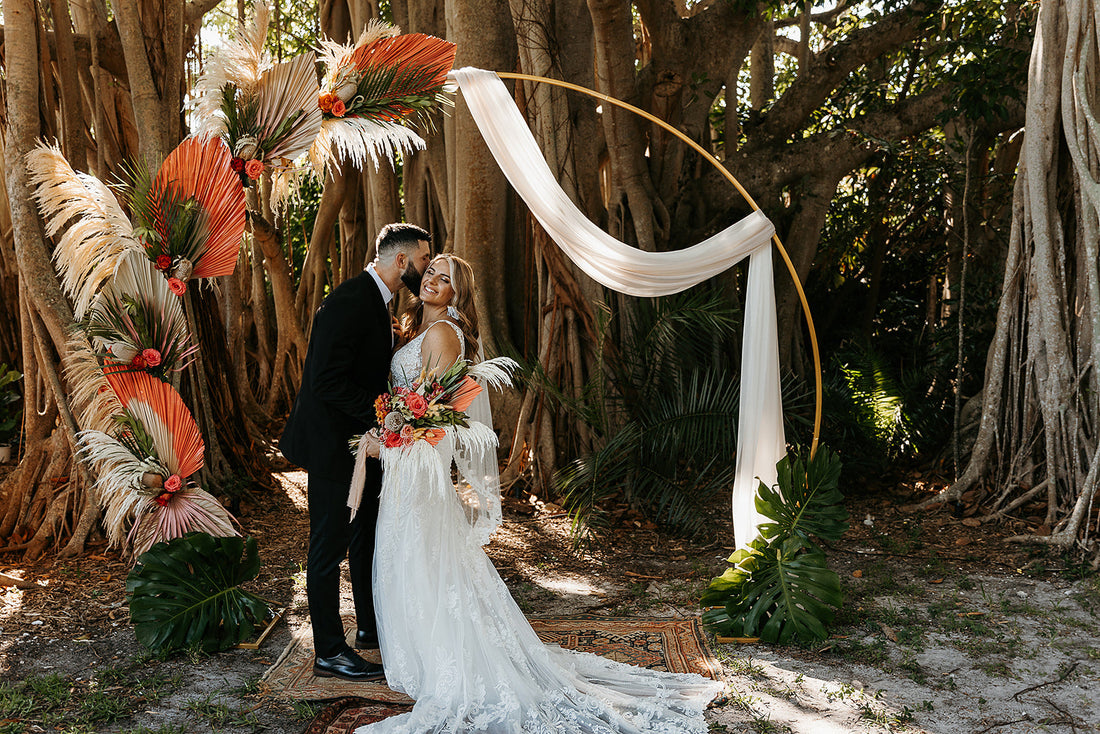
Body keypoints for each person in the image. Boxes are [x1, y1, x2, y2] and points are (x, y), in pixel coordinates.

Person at [354, 253, 725, 732]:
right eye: (430, 272)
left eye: (445, 279)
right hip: (409, 465)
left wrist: (387, 442)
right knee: (414, 555)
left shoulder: (444, 333)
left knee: (421, 555)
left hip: (417, 467)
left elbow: (433, 420)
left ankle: (440, 659)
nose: (433, 281)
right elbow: (419, 407)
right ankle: (422, 652)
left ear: (456, 295)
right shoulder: (417, 331)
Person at [280, 223, 432, 681]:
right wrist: (382, 413)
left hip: (364, 449)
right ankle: (328, 650)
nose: (425, 269)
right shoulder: (350, 299)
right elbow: (325, 382)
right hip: (333, 449)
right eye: (423, 260)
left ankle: (368, 628)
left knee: (365, 537)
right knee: (329, 546)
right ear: (401, 261)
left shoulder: (378, 301)